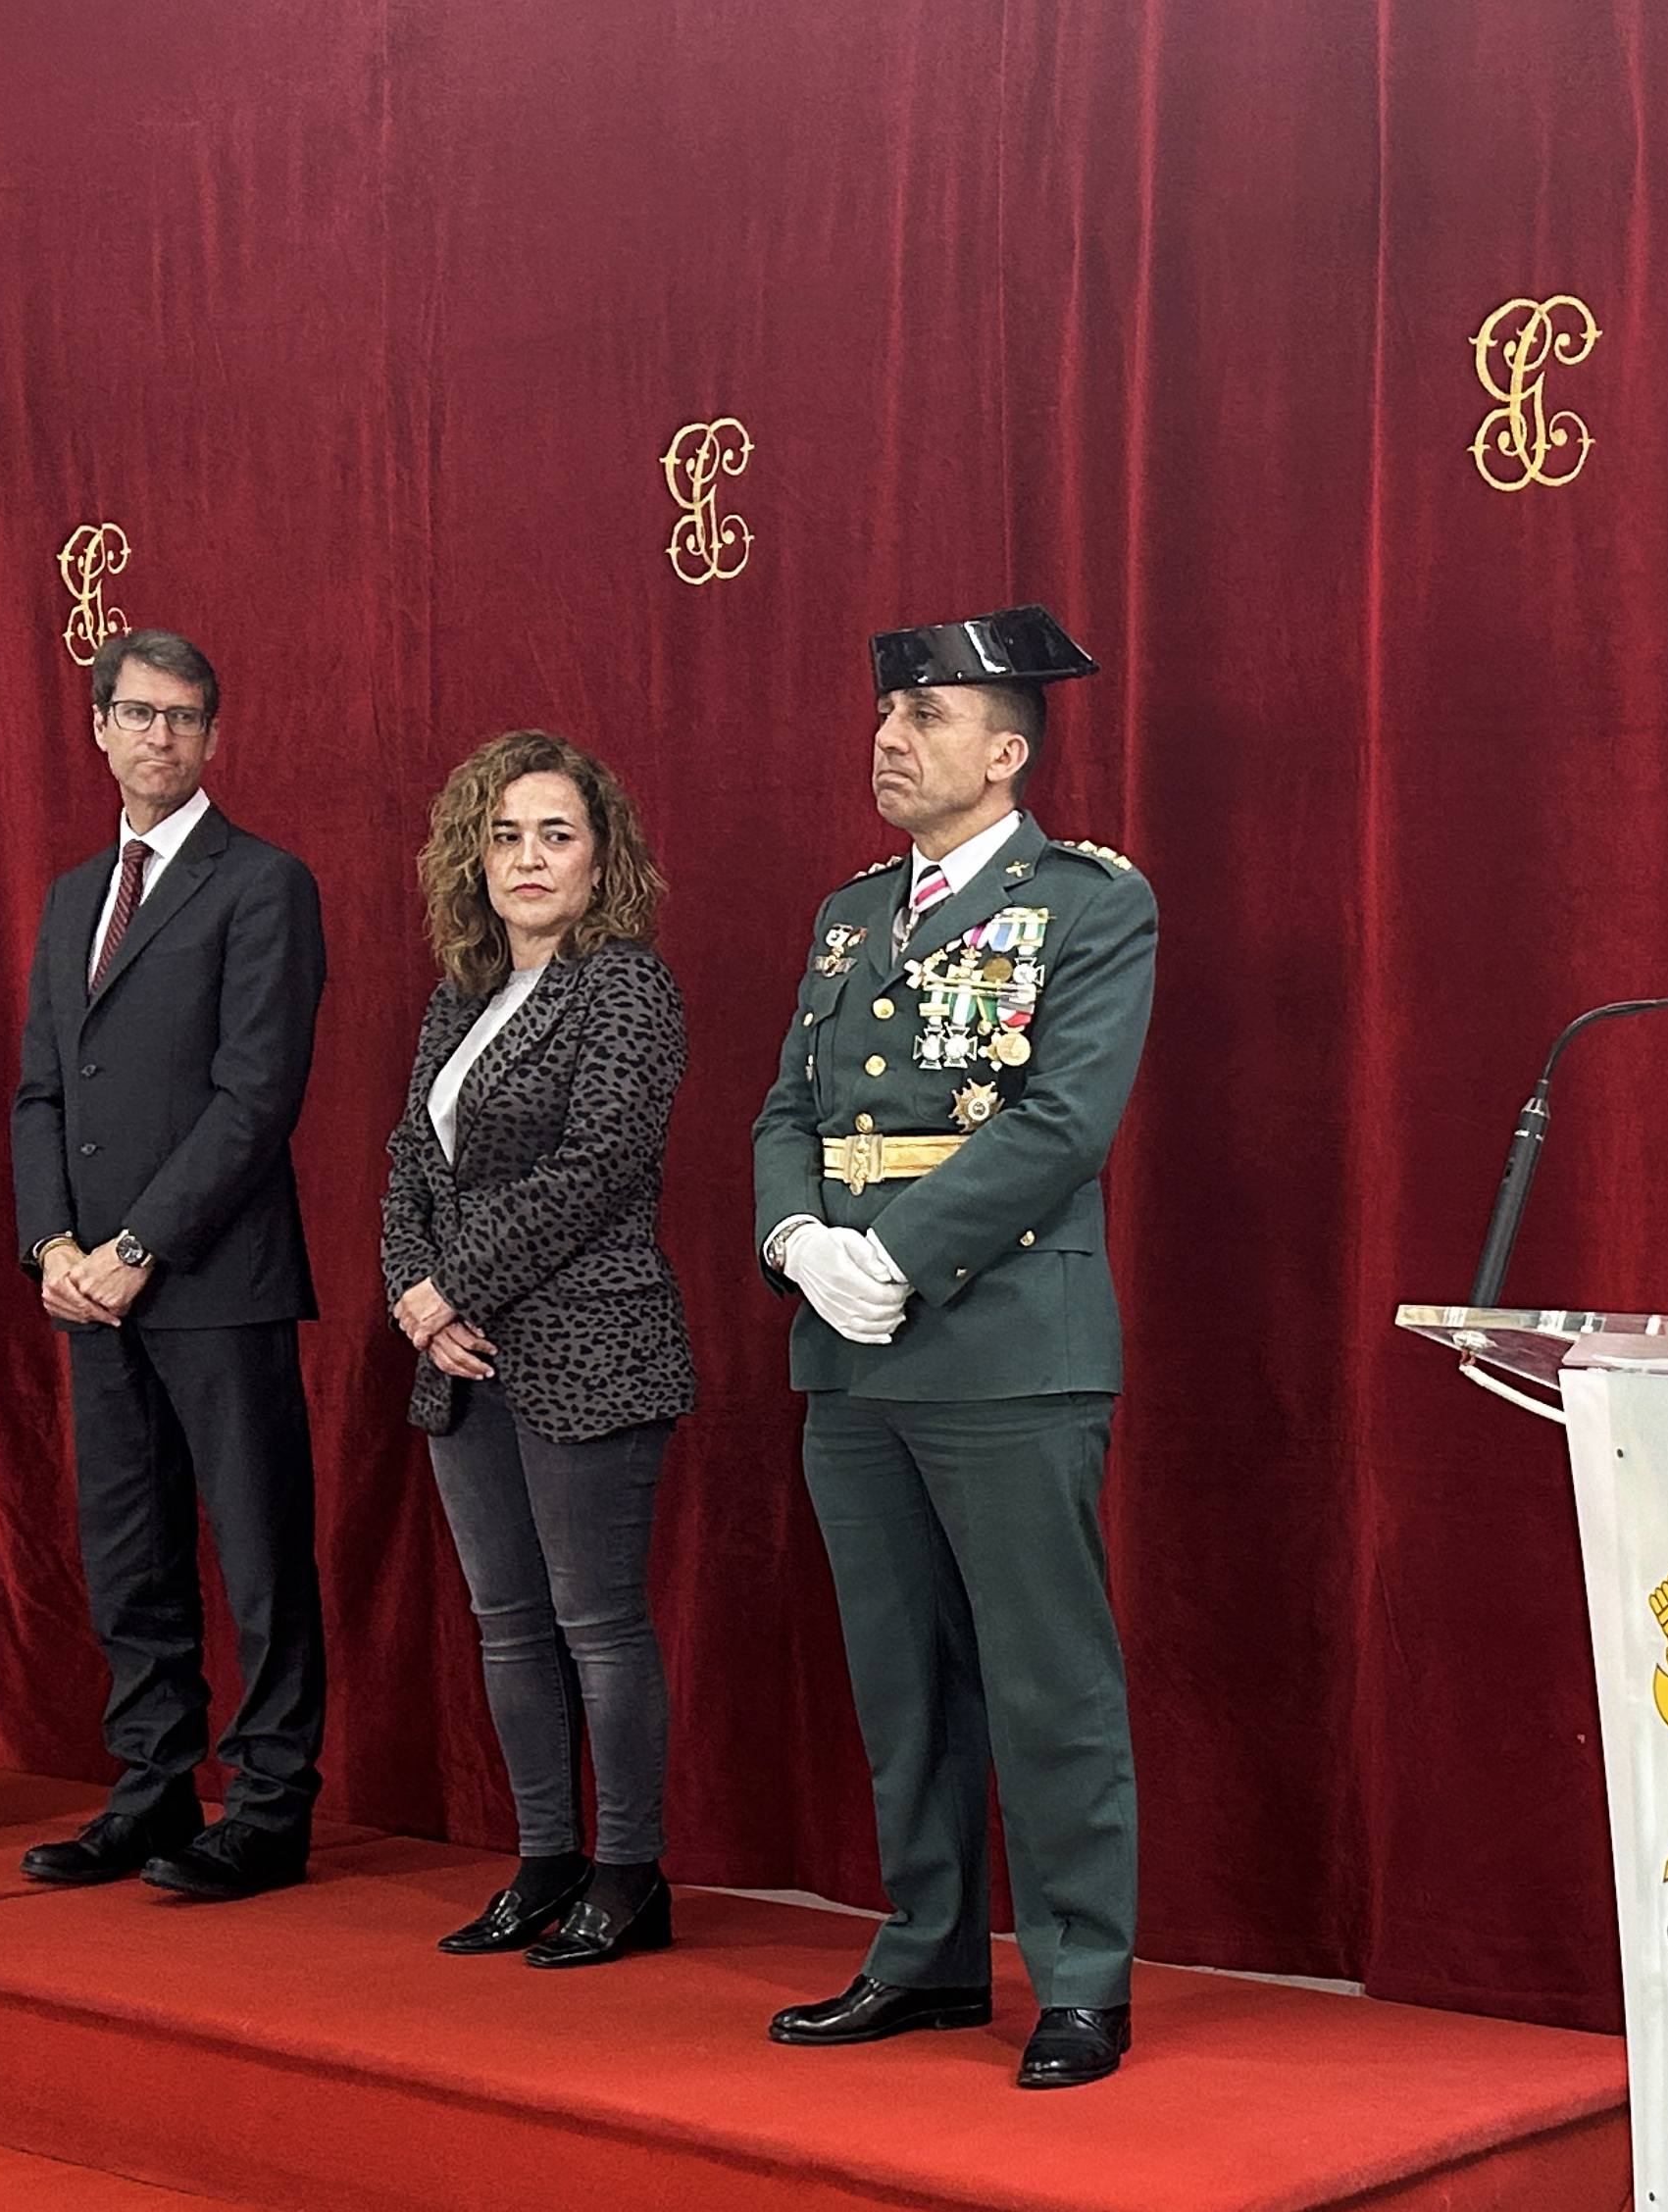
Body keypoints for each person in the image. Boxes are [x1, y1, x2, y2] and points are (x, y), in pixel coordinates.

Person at [751, 605, 1157, 2090]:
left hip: (1006, 1341)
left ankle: (1081, 1974)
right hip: (852, 1354)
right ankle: (926, 1949)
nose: (889, 737)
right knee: (901, 1677)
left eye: (924, 716)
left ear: (1004, 752)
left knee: (1045, 1676)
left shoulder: (1088, 904)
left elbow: (1062, 1121)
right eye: (886, 713)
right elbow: (787, 1109)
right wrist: (798, 1241)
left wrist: (897, 1255)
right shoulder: (850, 913)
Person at [12, 627, 330, 1902]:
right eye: (139, 712)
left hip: (215, 1279)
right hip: (89, 1292)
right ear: (98, 725)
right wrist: (53, 1246)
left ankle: (269, 1806)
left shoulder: (264, 883)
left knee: (258, 1553)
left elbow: (256, 1097)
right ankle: (150, 1787)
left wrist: (138, 1247)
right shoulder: (71, 895)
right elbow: (41, 1090)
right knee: (128, 1550)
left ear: (213, 734)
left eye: (185, 716)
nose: (161, 735)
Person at [381, 730, 694, 1968]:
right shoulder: (457, 996)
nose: (527, 857)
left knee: (597, 1622)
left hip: (593, 1344)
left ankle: (628, 1873)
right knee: (507, 1623)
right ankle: (545, 1860)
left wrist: (447, 1286)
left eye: (555, 834)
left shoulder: (625, 987)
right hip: (460, 1357)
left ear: (598, 857)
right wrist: (414, 1295)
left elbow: (596, 1166)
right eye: (504, 835)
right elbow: (408, 1163)